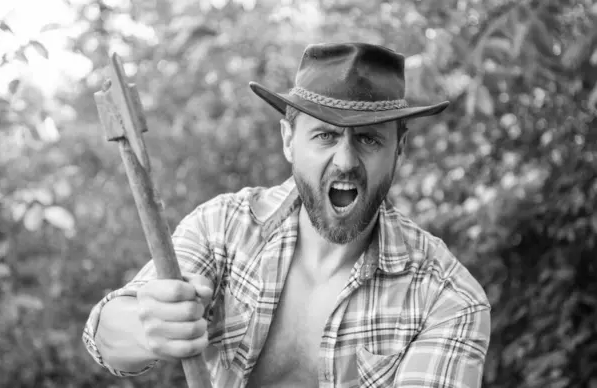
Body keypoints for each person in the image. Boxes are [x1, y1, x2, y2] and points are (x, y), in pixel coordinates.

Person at [83, 42, 491, 388]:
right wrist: (146, 324)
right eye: (325, 136)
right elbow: (103, 337)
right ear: (288, 141)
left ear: (399, 149)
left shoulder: (448, 298)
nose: (345, 161)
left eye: (369, 138)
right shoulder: (224, 227)